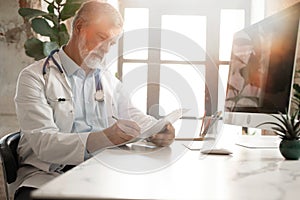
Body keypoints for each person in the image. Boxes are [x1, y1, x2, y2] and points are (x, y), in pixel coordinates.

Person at [12, 1, 175, 199]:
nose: (106, 49)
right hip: (46, 176)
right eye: (101, 37)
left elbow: (133, 116)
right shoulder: (35, 77)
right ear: (79, 27)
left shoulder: (106, 79)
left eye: (112, 43)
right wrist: (104, 138)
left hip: (96, 172)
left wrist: (158, 130)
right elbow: (44, 144)